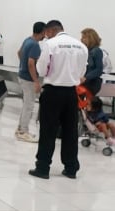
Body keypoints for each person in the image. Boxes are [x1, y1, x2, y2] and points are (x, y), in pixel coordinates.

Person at [29, 20, 88, 179]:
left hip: (53, 91)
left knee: (48, 130)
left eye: (47, 33)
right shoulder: (80, 46)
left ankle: (42, 168)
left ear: (49, 31)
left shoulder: (50, 44)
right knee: (70, 131)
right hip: (71, 93)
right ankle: (71, 168)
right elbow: (82, 71)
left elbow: (41, 69)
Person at [16, 21, 45, 143]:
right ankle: (23, 131)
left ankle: (20, 129)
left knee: (26, 104)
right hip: (28, 79)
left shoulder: (27, 40)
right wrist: (36, 81)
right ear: (42, 32)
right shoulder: (35, 45)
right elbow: (31, 63)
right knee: (29, 105)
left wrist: (22, 65)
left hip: (22, 75)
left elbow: (19, 53)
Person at [80, 27, 104, 96]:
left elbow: (99, 69)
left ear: (91, 39)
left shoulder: (96, 51)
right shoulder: (85, 51)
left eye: (84, 37)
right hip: (85, 82)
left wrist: (86, 77)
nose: (81, 39)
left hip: (91, 83)